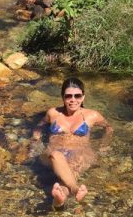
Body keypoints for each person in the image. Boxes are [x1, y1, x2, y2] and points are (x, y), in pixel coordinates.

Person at [31, 77, 113, 208]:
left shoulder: (92, 115)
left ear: (83, 97)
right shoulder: (53, 113)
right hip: (54, 154)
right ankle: (75, 189)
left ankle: (58, 200)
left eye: (77, 96)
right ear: (63, 97)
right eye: (68, 96)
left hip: (80, 152)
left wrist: (104, 145)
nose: (73, 100)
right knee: (56, 155)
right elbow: (39, 126)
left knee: (70, 170)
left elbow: (109, 128)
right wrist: (36, 141)